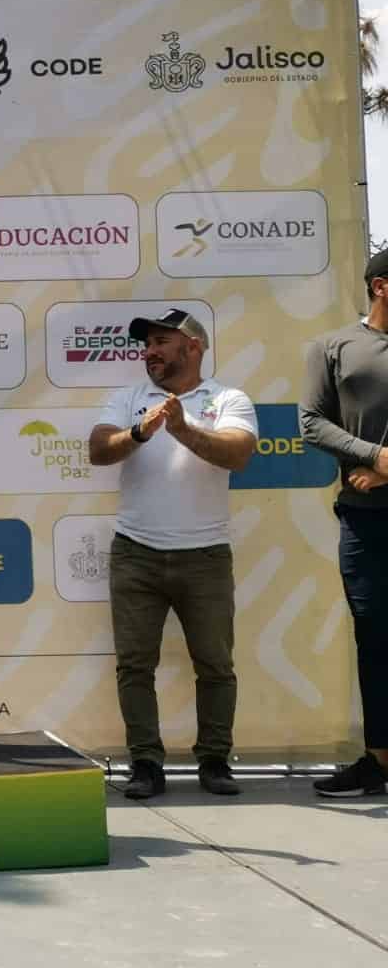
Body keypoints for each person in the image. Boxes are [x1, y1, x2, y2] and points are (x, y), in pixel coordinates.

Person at [88, 310, 257, 800]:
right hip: (135, 554)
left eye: (162, 341)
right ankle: (145, 763)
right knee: (134, 665)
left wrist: (182, 428)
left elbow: (238, 454)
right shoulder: (129, 398)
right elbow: (99, 449)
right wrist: (140, 432)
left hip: (205, 555)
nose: (150, 351)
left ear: (194, 346)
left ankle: (215, 760)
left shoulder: (228, 399)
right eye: (147, 344)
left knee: (215, 664)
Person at [299, 247, 388, 798]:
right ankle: (379, 761)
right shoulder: (333, 347)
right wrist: (373, 456)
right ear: (381, 286)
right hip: (364, 520)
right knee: (374, 636)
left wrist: (384, 469)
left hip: (374, 490)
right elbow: (310, 422)